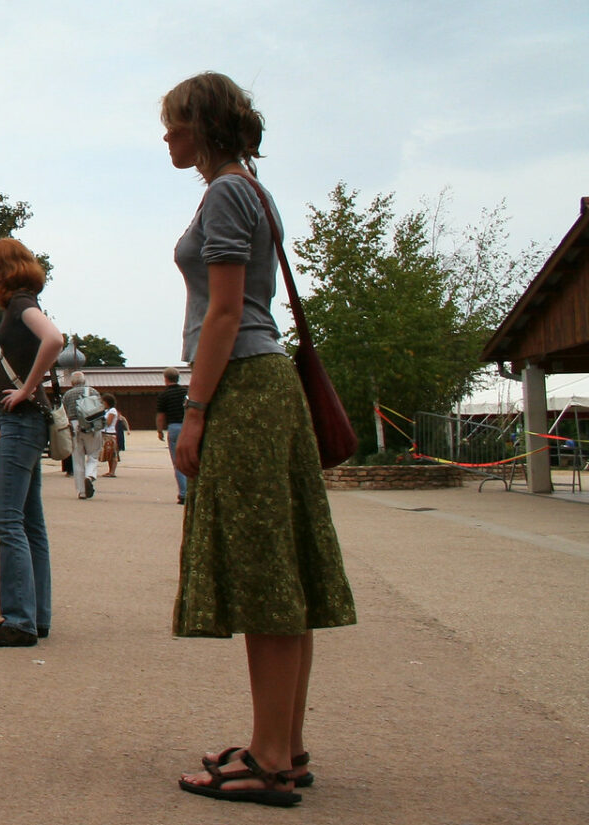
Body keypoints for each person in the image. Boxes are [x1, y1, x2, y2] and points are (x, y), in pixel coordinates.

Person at [162, 71, 357, 807]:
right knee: (282, 568)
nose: (167, 137)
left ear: (205, 126)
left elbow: (224, 310)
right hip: (267, 383)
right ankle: (283, 741)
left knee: (265, 568)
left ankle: (270, 755)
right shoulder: (253, 190)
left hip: (243, 383)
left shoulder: (223, 192)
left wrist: (198, 409)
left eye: (175, 123)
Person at [0, 238, 62, 647]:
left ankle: (19, 619)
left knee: (8, 519)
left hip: (20, 422)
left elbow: (54, 339)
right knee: (31, 522)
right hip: (32, 423)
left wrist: (26, 389)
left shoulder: (20, 305)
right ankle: (35, 614)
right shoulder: (24, 302)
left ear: (4, 270)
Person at [62, 371, 106, 499]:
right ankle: (90, 475)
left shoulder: (67, 395)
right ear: (84, 381)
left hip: (74, 425)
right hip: (90, 424)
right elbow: (99, 409)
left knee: (77, 458)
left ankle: (81, 491)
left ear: (72, 382)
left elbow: (63, 412)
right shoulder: (93, 391)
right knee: (93, 454)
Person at [156, 366, 189, 503]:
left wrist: (159, 430)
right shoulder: (186, 392)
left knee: (178, 462)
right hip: (188, 426)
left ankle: (183, 493)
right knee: (191, 459)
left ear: (166, 379)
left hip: (174, 427)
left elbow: (161, 415)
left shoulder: (164, 395)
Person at [100, 394, 122, 478]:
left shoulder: (112, 411)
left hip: (110, 433)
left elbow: (108, 423)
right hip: (105, 433)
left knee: (112, 453)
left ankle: (112, 471)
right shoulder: (107, 410)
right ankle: (110, 471)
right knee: (109, 453)